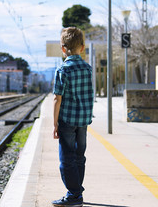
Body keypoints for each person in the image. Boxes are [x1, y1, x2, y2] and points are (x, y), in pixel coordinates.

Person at [52, 27, 94, 207]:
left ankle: (74, 195)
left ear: (63, 48)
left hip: (67, 121)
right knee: (79, 157)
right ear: (82, 48)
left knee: (66, 159)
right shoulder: (88, 69)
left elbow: (57, 99)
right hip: (83, 120)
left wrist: (55, 124)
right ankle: (76, 192)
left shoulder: (62, 70)